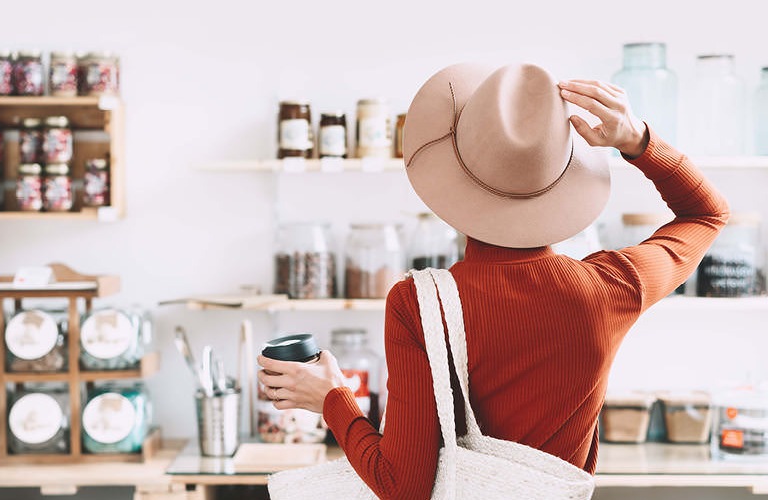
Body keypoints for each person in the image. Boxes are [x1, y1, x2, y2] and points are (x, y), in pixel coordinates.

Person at [257, 62, 729, 499]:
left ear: (453, 179)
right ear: (559, 177)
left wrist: (334, 399)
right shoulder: (610, 288)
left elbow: (403, 487)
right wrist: (638, 140)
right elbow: (707, 214)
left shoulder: (421, 303)